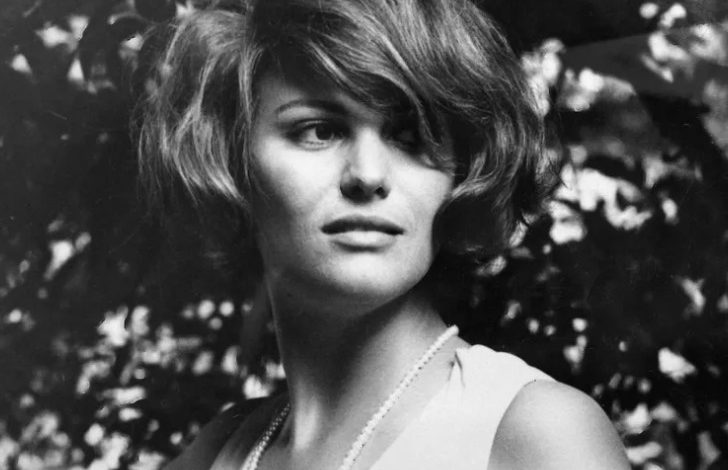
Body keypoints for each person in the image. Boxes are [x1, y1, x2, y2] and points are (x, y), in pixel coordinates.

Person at [137, 0, 630, 468]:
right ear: (232, 159)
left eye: (410, 137)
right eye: (319, 130)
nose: (369, 175)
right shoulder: (219, 452)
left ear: (459, 175)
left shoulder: (536, 433)